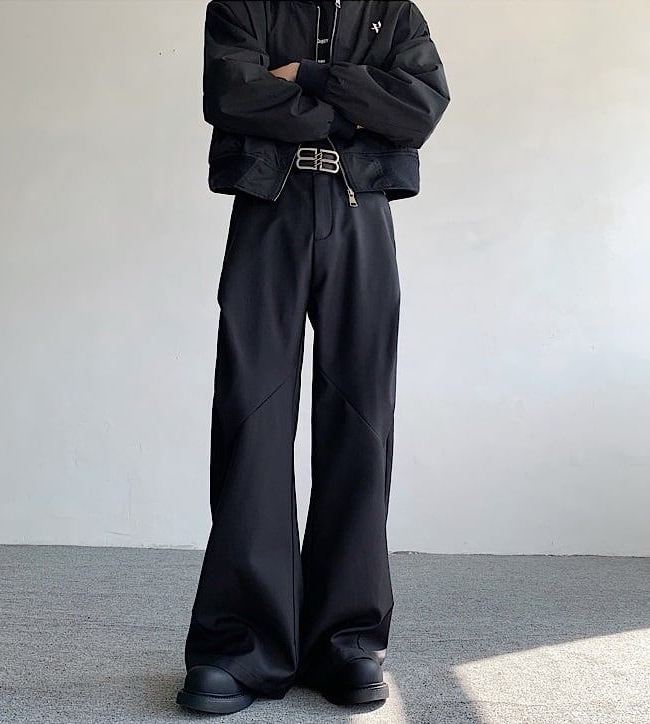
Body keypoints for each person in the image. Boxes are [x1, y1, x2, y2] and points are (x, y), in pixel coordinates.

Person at [176, 0, 449, 714]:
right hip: (269, 208)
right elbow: (231, 94)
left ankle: (348, 640)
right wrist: (359, 105)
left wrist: (311, 76)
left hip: (362, 216)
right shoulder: (242, 7)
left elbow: (419, 109)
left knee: (362, 416)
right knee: (251, 414)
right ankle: (239, 646)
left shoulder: (394, 13)